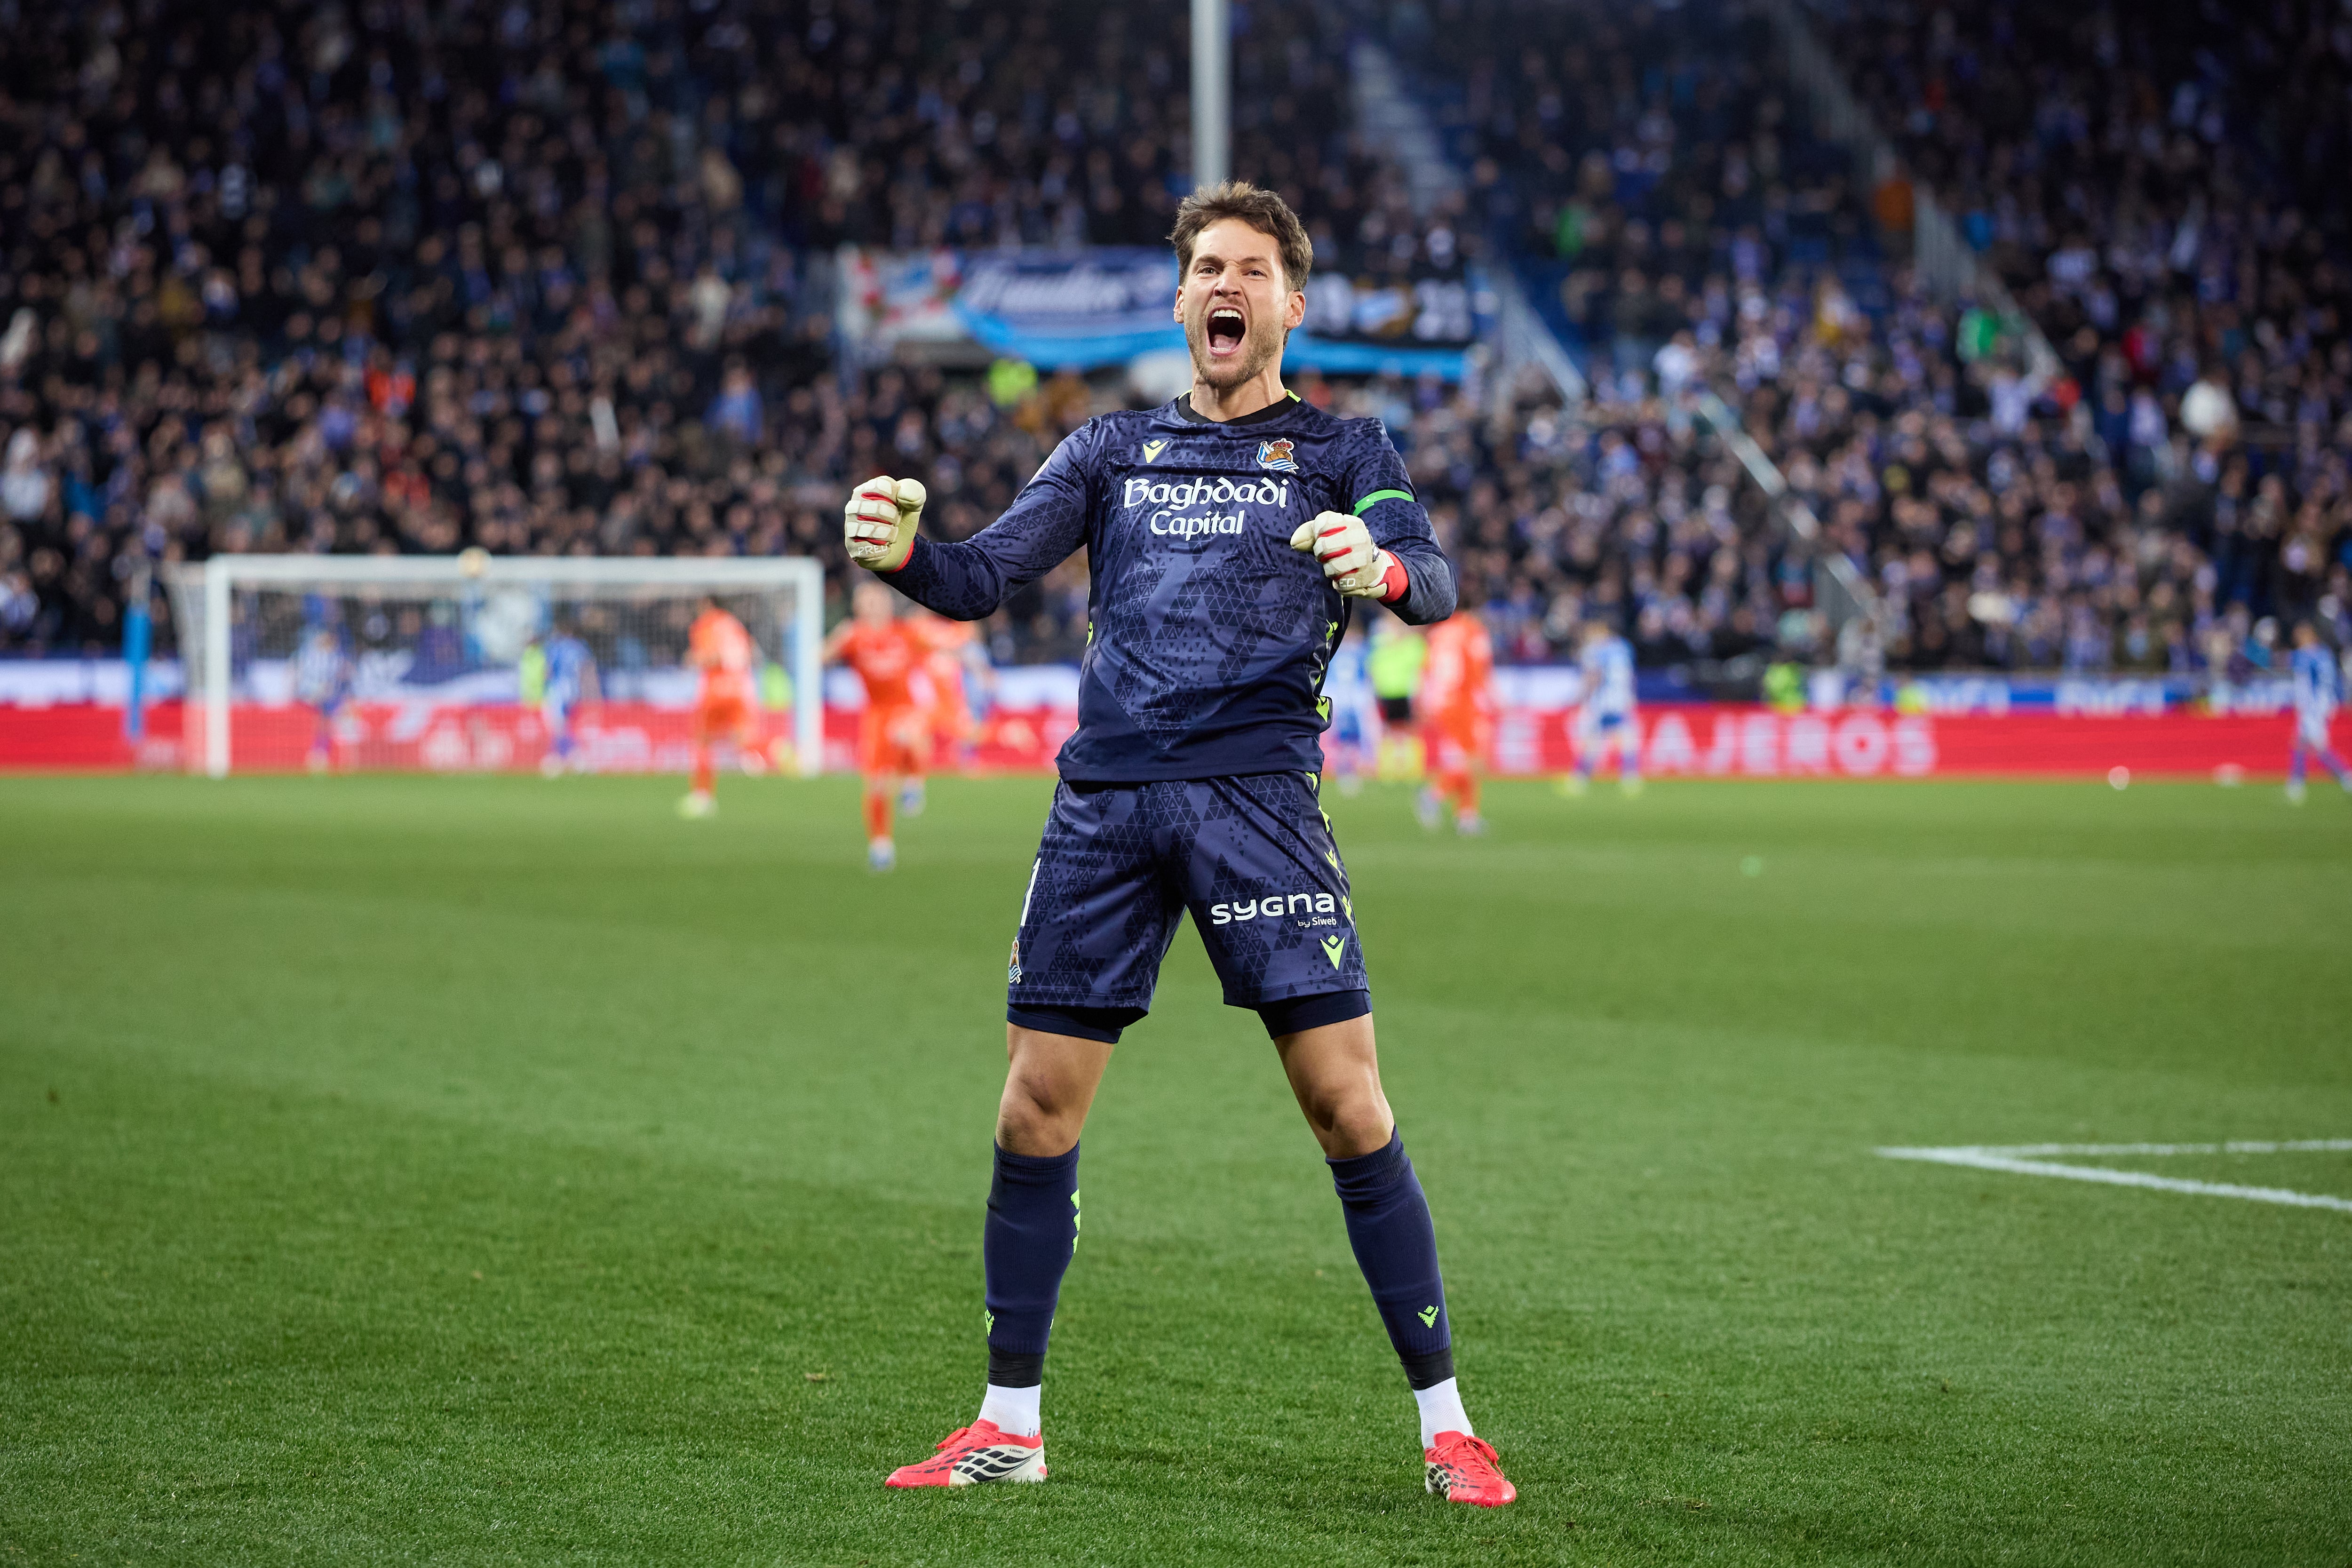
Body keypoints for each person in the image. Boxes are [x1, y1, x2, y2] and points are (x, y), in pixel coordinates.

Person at [844, 182, 1514, 1506]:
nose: (1227, 286)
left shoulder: (1344, 449)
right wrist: (909, 555)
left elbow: (1431, 581)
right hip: (1104, 805)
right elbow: (980, 577)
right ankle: (1008, 1424)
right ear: (1181, 300)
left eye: (1253, 270)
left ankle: (1449, 1426)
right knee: (1035, 1107)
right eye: (1208, 266)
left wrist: (1378, 573)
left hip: (1258, 799)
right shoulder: (1106, 451)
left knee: (1347, 1104)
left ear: (1289, 305)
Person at [823, 580, 937, 869]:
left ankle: (914, 781)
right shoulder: (854, 636)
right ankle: (881, 845)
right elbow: (818, 659)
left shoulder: (905, 631)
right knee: (876, 784)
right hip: (875, 712)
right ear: (857, 607)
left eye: (878, 599)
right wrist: (835, 639)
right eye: (867, 601)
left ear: (888, 604)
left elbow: (941, 646)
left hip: (907, 707)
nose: (873, 605)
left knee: (906, 734)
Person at [679, 595, 760, 818]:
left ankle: (702, 797)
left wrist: (692, 659)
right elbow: (751, 652)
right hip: (741, 688)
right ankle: (776, 758)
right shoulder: (734, 623)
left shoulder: (705, 624)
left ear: (706, 604)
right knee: (743, 742)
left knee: (703, 741)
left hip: (716, 689)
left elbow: (710, 657)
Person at [1415, 608, 1494, 835]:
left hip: (1442, 703)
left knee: (1467, 760)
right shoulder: (1471, 630)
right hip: (1463, 702)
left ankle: (1466, 817)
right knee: (1475, 761)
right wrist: (1491, 697)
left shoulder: (1438, 633)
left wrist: (1424, 701)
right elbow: (1479, 668)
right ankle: (1434, 795)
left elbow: (1426, 670)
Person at [1565, 616, 1641, 796]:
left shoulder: (1595, 649)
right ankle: (1630, 778)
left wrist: (1580, 697)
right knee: (1624, 737)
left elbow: (1594, 676)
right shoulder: (1624, 647)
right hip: (1622, 699)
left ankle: (1579, 780)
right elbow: (1631, 675)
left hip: (1604, 701)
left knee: (1595, 739)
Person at [2286, 621, 2349, 804]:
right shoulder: (2325, 654)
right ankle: (2296, 783)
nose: (2297, 640)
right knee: (2299, 742)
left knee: (2318, 747)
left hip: (2313, 707)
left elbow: (2304, 686)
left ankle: (2346, 777)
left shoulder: (2305, 656)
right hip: (2325, 704)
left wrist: (2305, 707)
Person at [534, 620, 599, 777]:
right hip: (573, 691)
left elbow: (548, 671)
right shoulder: (580, 647)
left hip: (558, 690)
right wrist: (593, 694)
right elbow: (588, 671)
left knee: (559, 727)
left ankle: (573, 760)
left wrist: (543, 688)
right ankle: (558, 759)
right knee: (564, 726)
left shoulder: (555, 647)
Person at [293, 624, 351, 774]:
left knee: (330, 716)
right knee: (325, 717)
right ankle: (320, 753)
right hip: (312, 696)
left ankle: (323, 753)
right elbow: (301, 677)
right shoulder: (309, 655)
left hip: (329, 697)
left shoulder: (336, 657)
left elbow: (345, 674)